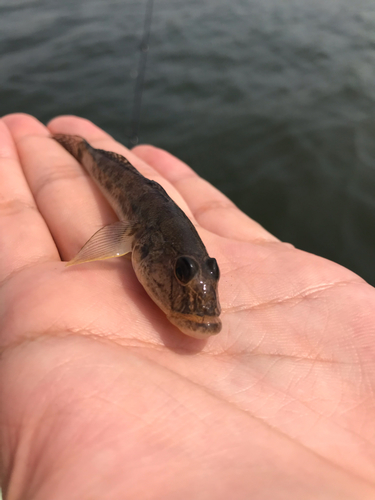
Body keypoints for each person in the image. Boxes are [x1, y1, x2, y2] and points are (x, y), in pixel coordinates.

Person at [0, 113, 374, 499]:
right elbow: (110, 242)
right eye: (183, 270)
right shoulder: (140, 234)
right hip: (109, 170)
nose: (201, 293)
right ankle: (76, 146)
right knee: (90, 153)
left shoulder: (159, 248)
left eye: (207, 272)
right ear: (140, 244)